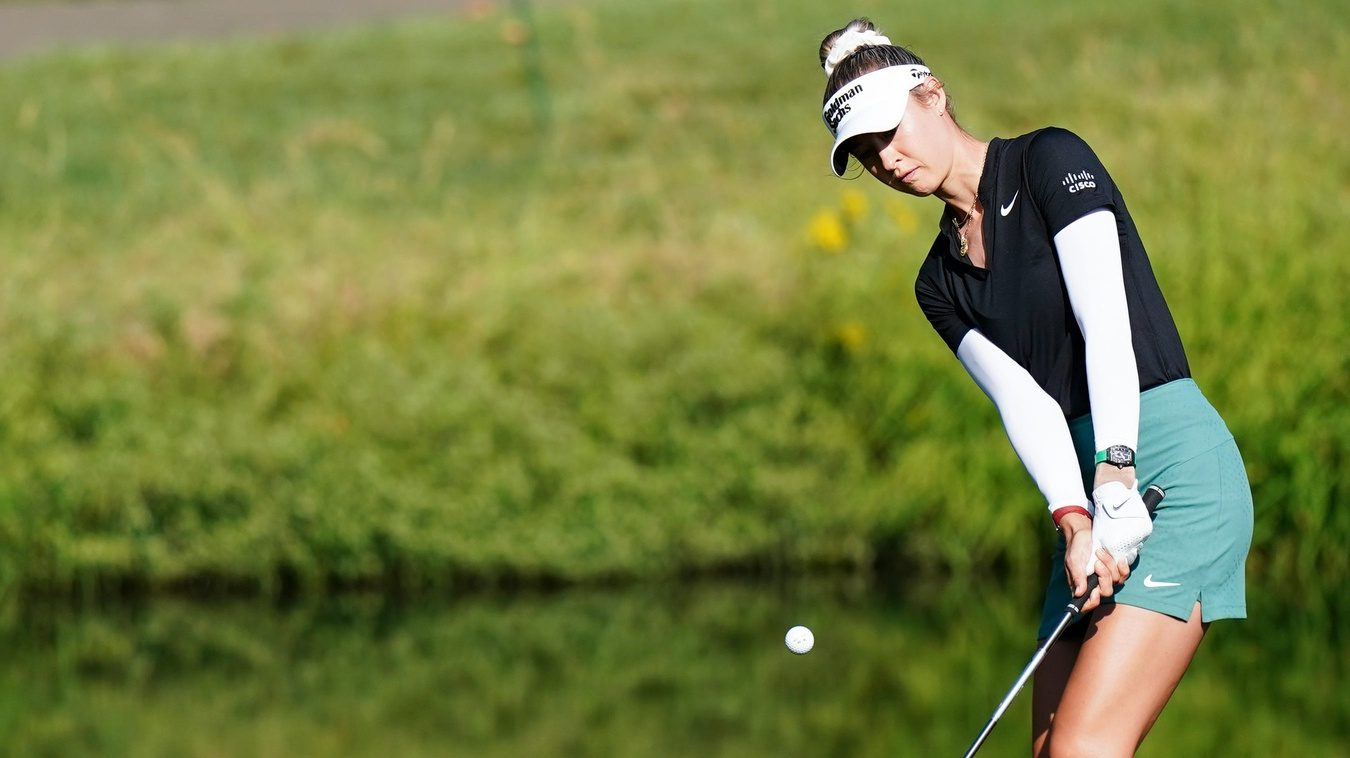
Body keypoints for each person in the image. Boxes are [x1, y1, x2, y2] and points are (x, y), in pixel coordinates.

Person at [815, 18, 1254, 757]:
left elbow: (1105, 321)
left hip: (1168, 474)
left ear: (933, 95)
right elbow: (1025, 403)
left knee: (1084, 748)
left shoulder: (1049, 161)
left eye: (889, 132)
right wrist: (1076, 521)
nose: (885, 159)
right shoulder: (937, 283)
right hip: (1089, 492)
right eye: (865, 153)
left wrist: (1116, 469)